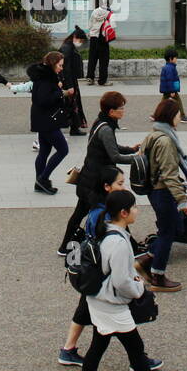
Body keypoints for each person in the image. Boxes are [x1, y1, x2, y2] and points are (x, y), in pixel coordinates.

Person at [75, 189, 187, 371]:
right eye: (134, 207)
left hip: (97, 300)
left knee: (98, 347)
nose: (137, 210)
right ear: (124, 212)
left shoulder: (105, 231)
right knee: (135, 349)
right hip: (111, 304)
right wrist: (138, 288)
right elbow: (121, 280)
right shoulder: (118, 242)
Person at [60, 166, 160, 369]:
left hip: (94, 275)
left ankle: (69, 351)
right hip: (103, 278)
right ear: (107, 187)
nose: (123, 187)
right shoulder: (105, 215)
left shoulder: (101, 208)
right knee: (121, 319)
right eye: (120, 184)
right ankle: (139, 362)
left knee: (89, 314)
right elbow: (112, 257)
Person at [62, 91, 140, 255]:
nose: (123, 110)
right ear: (111, 111)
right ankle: (130, 247)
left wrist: (131, 150)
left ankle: (65, 247)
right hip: (96, 182)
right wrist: (138, 159)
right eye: (121, 108)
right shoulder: (106, 129)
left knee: (79, 214)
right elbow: (114, 155)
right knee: (114, 212)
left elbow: (112, 146)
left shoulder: (101, 122)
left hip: (88, 178)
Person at [139, 98, 187, 293]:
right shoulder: (166, 140)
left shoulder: (153, 135)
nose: (179, 118)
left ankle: (146, 260)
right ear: (171, 117)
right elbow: (169, 175)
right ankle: (157, 276)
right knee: (168, 232)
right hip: (163, 191)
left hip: (153, 189)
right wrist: (182, 200)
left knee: (174, 227)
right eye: (178, 114)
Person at [29, 51, 72, 195]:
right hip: (47, 120)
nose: (61, 68)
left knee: (45, 151)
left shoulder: (41, 75)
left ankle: (39, 182)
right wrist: (60, 92)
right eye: (60, 65)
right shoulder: (47, 79)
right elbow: (43, 99)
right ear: (53, 64)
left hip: (41, 118)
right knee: (63, 149)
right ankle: (43, 178)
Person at [59, 28, 89, 136]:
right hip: (68, 81)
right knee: (71, 104)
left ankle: (74, 127)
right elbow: (66, 68)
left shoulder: (69, 46)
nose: (80, 43)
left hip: (70, 79)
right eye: (80, 40)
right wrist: (70, 85)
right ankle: (71, 127)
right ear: (75, 38)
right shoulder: (67, 48)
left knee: (72, 104)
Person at [158, 49, 187, 123]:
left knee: (164, 102)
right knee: (178, 101)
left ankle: (156, 115)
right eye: (175, 57)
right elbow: (170, 80)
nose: (176, 59)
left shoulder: (168, 67)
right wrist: (172, 90)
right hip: (170, 89)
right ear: (170, 59)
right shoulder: (170, 68)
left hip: (168, 89)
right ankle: (182, 116)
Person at [86, 0, 113, 86]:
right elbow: (113, 26)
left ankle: (90, 78)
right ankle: (102, 80)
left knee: (92, 58)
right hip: (103, 38)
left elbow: (90, 24)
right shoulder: (109, 13)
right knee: (104, 60)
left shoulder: (95, 11)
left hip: (94, 38)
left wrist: (92, 31)